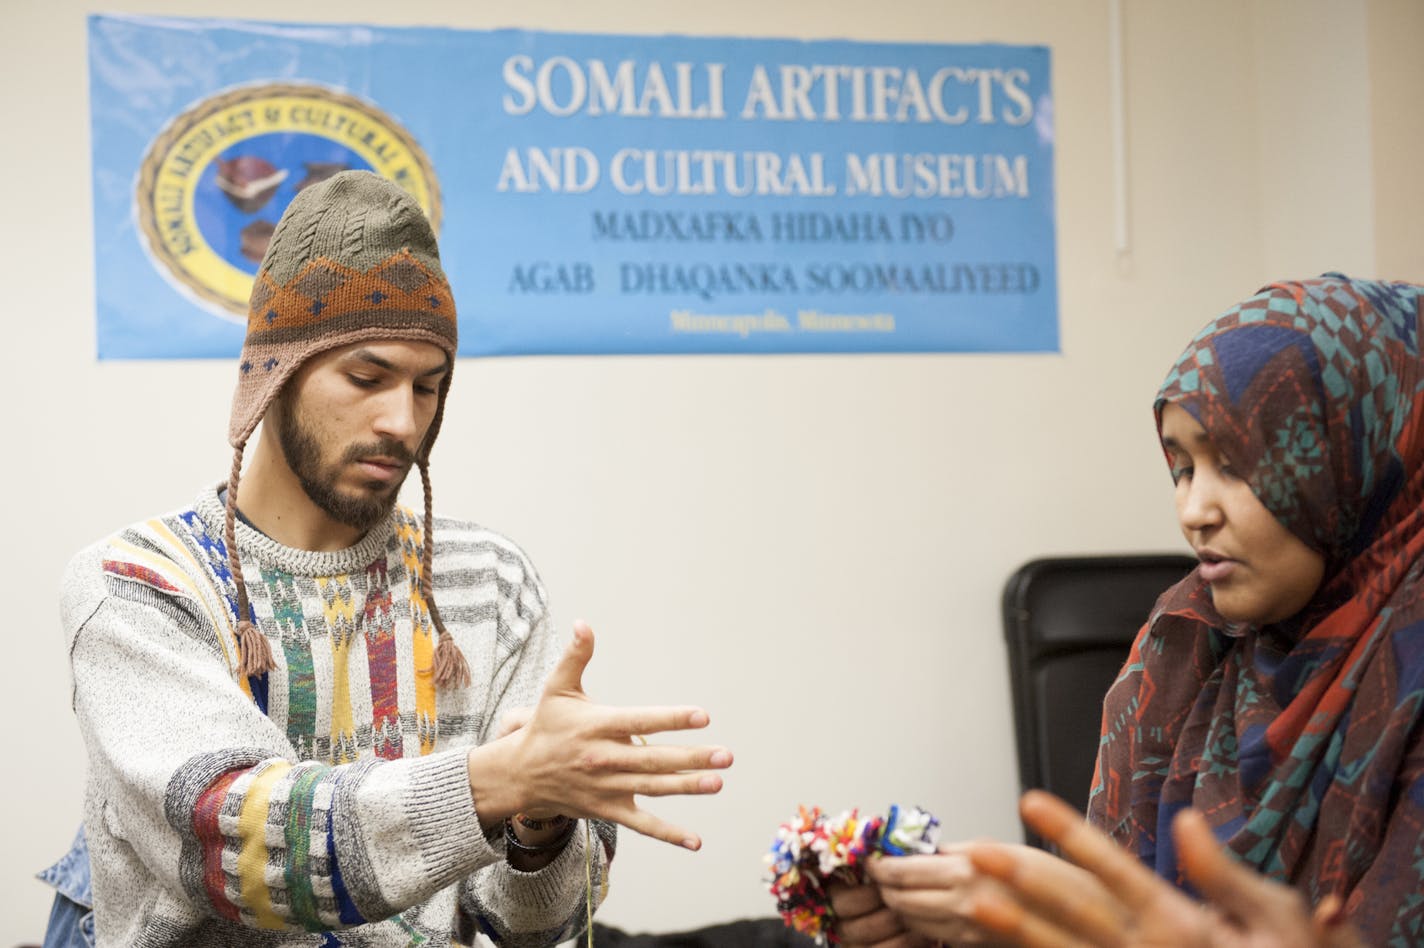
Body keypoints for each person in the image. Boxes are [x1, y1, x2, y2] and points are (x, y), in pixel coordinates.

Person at [52, 170, 733, 947]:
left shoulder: (489, 583)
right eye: (367, 377)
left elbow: (533, 927)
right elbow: (242, 848)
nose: (401, 420)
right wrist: (496, 784)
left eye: (428, 386)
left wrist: (541, 820)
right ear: (274, 371)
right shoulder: (142, 584)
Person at [829, 274, 1423, 946]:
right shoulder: (1188, 642)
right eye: (1182, 468)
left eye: (1236, 464)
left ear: (1362, 454)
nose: (1195, 511)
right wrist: (976, 927)